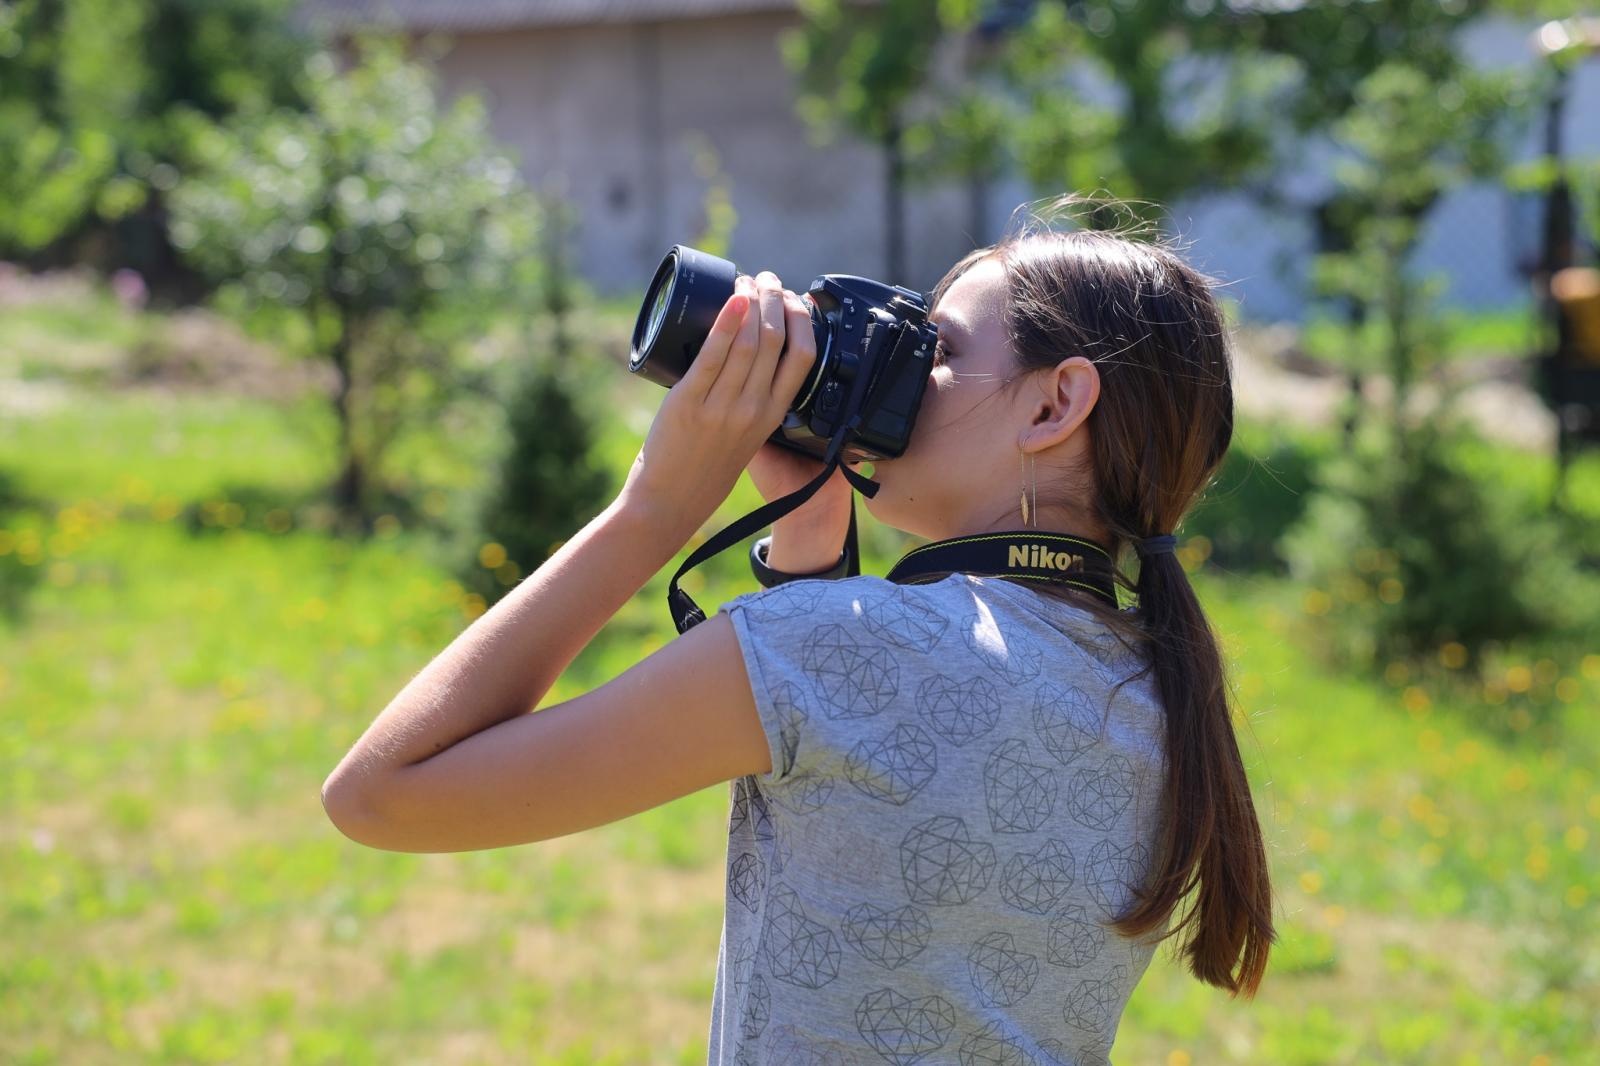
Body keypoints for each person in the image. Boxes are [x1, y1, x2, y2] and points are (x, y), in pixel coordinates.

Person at [320, 193, 1276, 1066]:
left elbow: (383, 795)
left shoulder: (838, 650)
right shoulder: (1156, 695)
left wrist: (654, 510)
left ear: (1055, 402)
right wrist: (810, 540)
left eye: (934, 350)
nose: (903, 375)